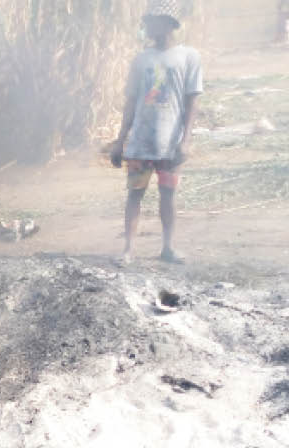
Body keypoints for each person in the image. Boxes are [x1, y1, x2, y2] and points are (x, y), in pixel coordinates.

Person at [109, 0, 202, 265]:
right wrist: (120, 140)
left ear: (169, 24)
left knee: (168, 194)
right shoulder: (141, 60)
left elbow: (192, 101)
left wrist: (186, 140)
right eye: (147, 22)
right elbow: (131, 102)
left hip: (169, 142)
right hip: (140, 141)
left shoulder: (188, 57)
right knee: (134, 194)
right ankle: (127, 249)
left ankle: (168, 247)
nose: (148, 27)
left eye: (153, 21)